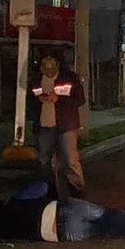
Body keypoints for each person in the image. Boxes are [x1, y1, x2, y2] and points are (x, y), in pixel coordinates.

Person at [0, 181, 125, 242]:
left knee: (104, 229)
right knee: (106, 215)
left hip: (63, 235)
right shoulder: (16, 201)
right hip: (63, 211)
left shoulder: (0, 230)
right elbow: (40, 186)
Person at [28, 51, 86, 200]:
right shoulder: (36, 81)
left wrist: (58, 98)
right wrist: (38, 99)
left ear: (58, 64)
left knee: (70, 160)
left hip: (66, 125)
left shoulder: (69, 78)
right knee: (44, 160)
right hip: (44, 126)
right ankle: (50, 192)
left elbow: (80, 99)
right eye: (44, 66)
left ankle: (77, 192)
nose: (47, 70)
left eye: (51, 66)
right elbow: (29, 101)